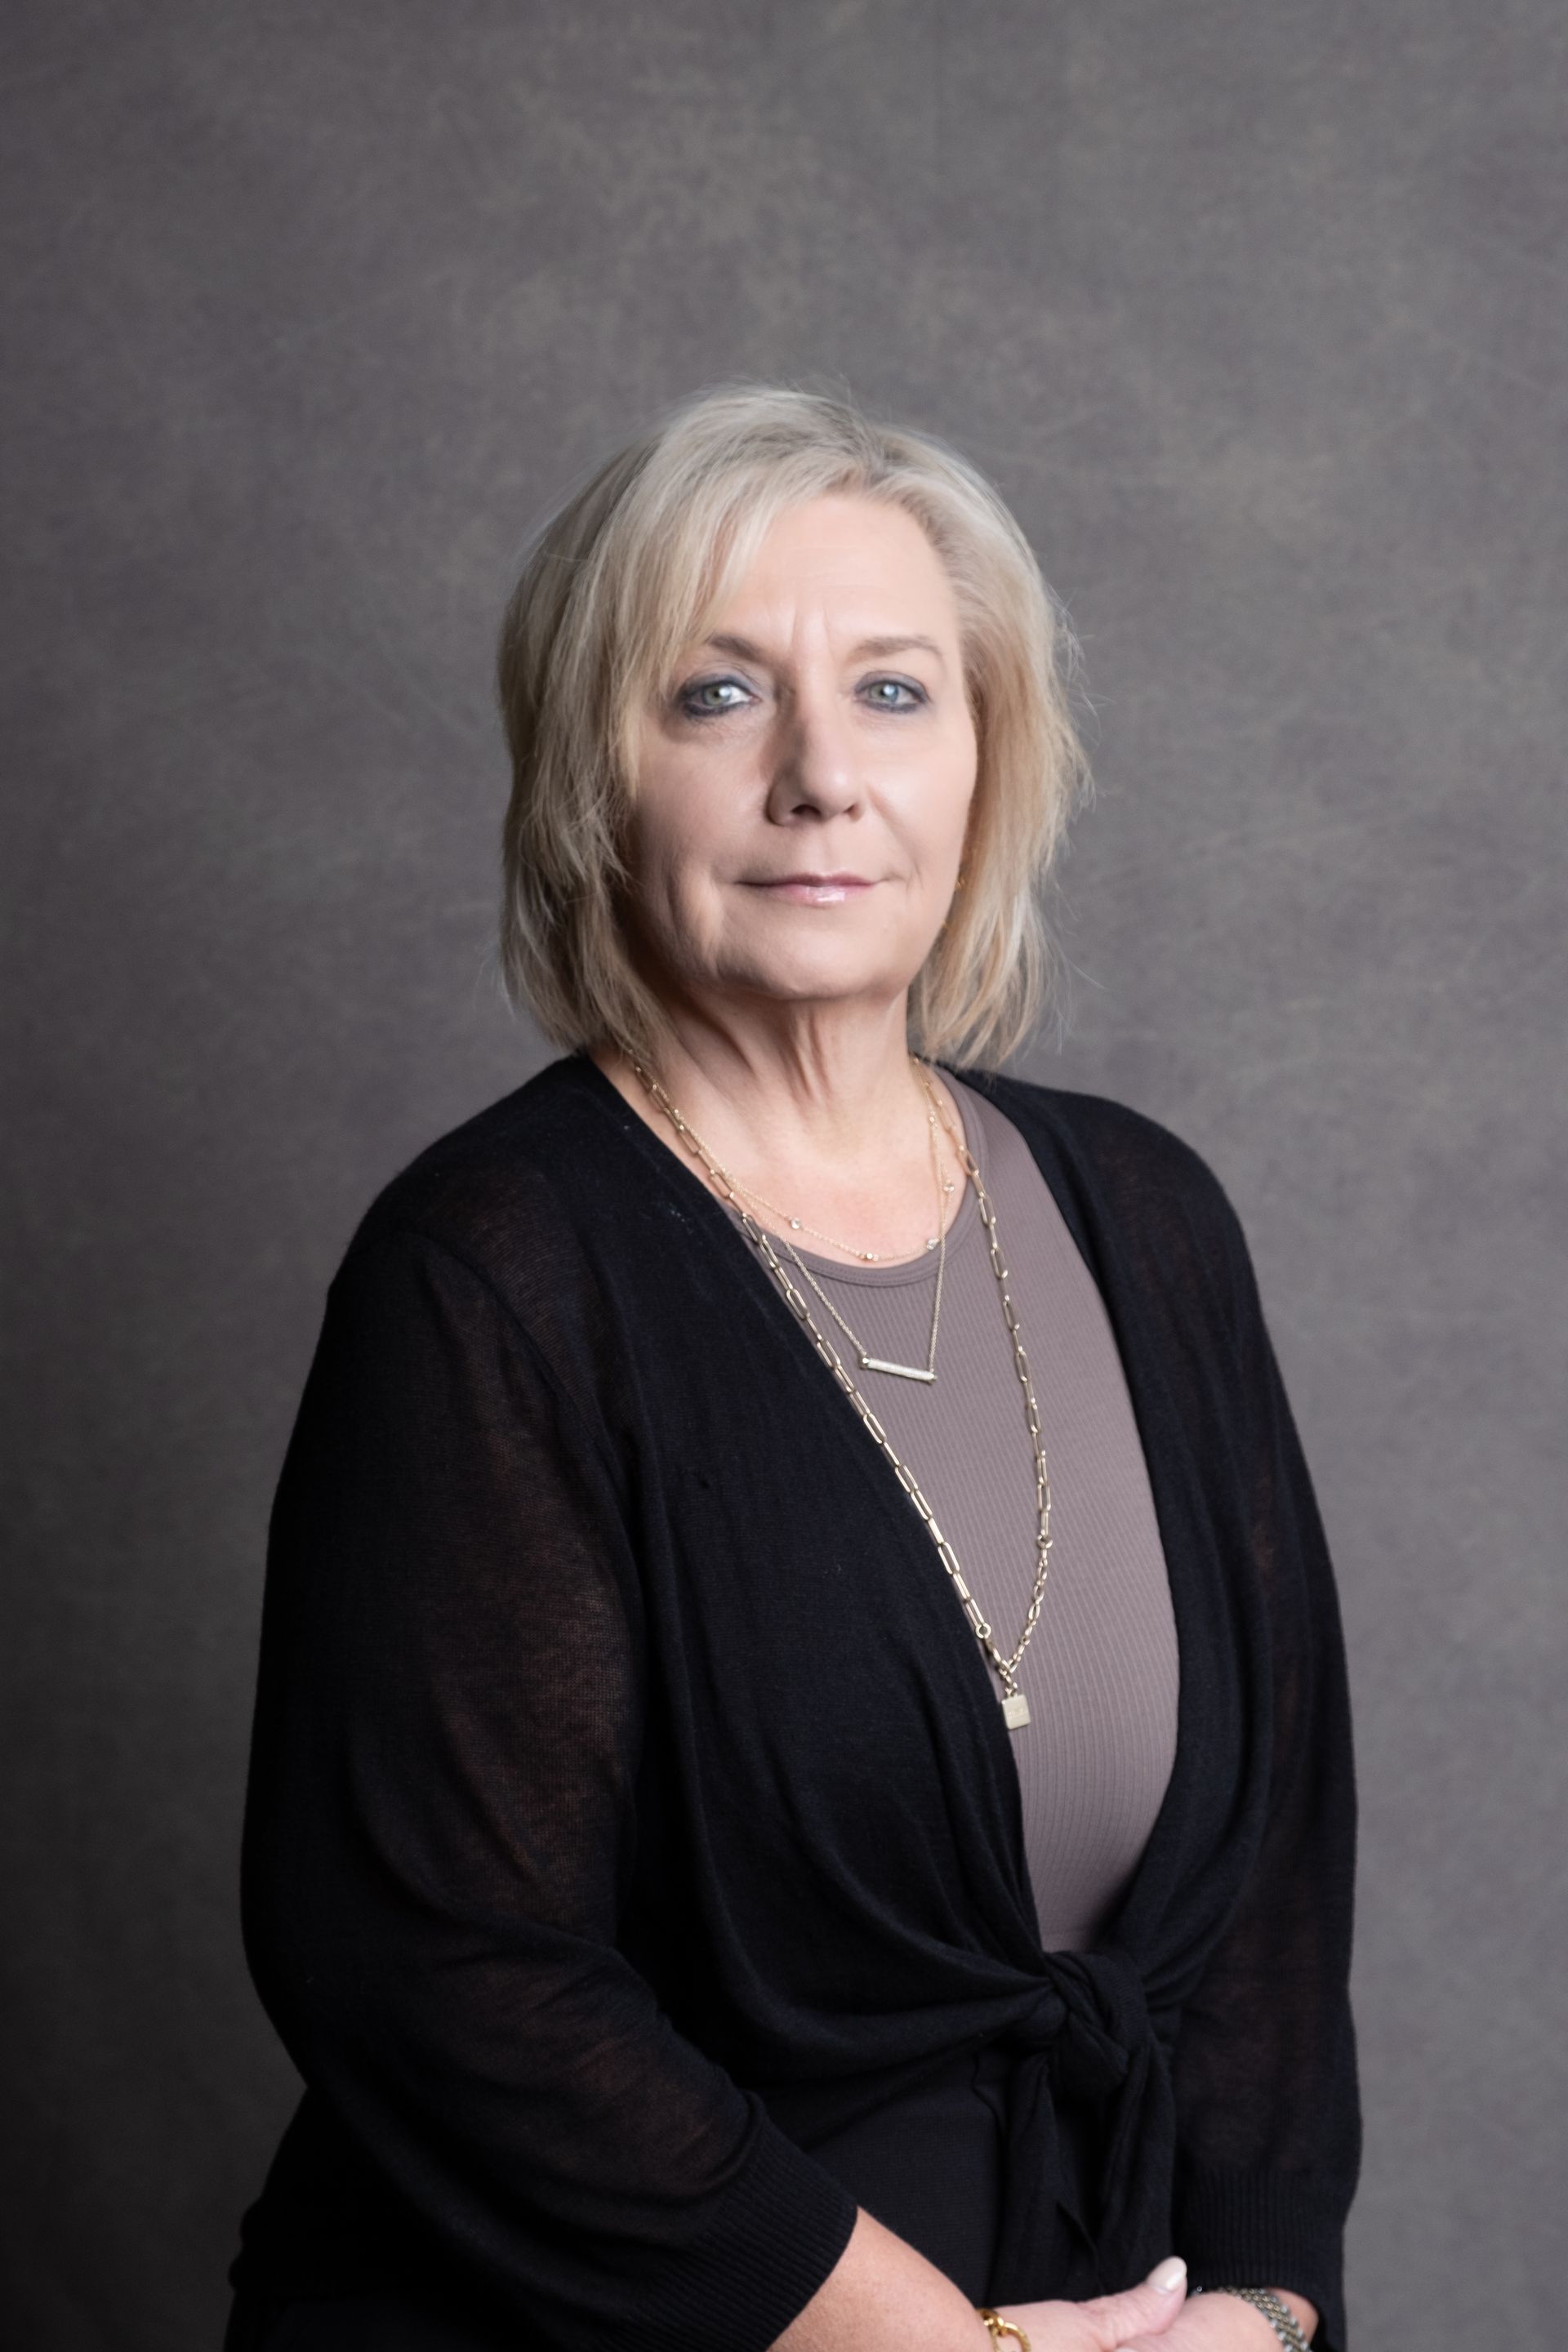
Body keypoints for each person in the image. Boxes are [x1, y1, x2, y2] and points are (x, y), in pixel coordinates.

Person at [225, 386, 1359, 2352]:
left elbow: (1267, 1901)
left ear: (992, 759)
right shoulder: (494, 1274)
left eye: (899, 694)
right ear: (595, 776)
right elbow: (442, 1970)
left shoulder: (1146, 1219)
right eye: (717, 697)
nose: (824, 775)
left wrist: (1259, 2318)